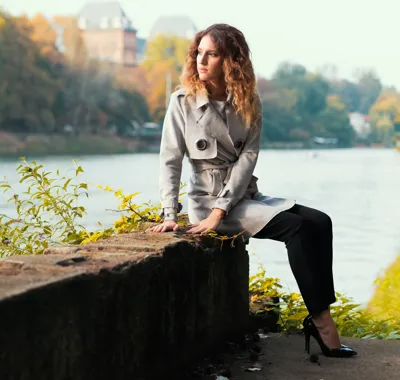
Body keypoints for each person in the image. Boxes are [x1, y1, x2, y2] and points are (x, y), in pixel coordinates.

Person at [148, 23, 357, 358]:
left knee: (322, 222)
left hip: (242, 197)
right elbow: (170, 160)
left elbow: (248, 158)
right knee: (299, 228)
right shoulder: (182, 102)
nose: (201, 60)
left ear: (232, 60)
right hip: (207, 203)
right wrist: (172, 214)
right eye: (198, 52)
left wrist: (225, 208)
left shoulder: (249, 101)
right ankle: (323, 323)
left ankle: (320, 308)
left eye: (212, 54)